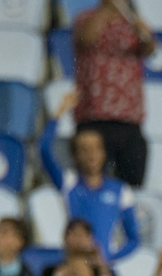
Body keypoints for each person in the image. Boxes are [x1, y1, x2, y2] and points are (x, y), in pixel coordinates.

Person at [74, 0, 157, 189]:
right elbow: (84, 39)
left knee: (130, 185)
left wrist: (145, 33)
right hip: (93, 115)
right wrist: (106, 10)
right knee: (90, 182)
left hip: (128, 118)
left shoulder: (133, 22)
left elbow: (151, 50)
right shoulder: (86, 18)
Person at [43, 92, 141, 262]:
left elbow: (134, 239)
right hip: (74, 263)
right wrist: (59, 113)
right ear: (75, 155)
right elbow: (44, 150)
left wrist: (109, 259)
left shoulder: (120, 190)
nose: (91, 155)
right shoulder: (69, 183)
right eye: (84, 149)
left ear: (104, 153)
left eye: (96, 148)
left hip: (103, 270)